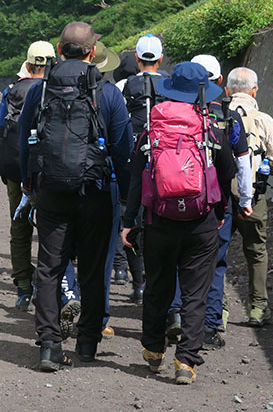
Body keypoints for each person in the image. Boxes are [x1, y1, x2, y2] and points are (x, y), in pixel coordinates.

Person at [19, 22, 132, 372]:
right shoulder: (107, 91)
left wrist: (28, 183)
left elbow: (26, 139)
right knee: (94, 270)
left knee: (50, 269)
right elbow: (123, 150)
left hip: (51, 191)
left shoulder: (40, 90)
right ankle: (87, 342)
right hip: (96, 192)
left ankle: (50, 345)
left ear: (59, 48)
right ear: (92, 52)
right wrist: (127, 199)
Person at [120, 62, 237, 385]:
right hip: (201, 222)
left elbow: (135, 177)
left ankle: (154, 350)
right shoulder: (210, 129)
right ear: (202, 93)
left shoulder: (151, 130)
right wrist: (221, 211)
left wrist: (128, 221)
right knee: (195, 292)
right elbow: (227, 173)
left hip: (158, 220)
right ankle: (186, 361)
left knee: (158, 286)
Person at [166, 54, 252, 349]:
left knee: (178, 259)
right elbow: (242, 163)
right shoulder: (228, 116)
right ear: (218, 83)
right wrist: (244, 199)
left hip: (175, 197)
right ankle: (212, 325)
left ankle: (176, 313)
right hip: (215, 202)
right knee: (215, 263)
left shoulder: (173, 113)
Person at [0, 40, 55, 310]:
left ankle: (23, 286)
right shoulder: (57, 90)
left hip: (16, 167)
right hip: (50, 169)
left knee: (19, 226)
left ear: (28, 65)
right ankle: (50, 285)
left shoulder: (12, 91)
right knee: (52, 227)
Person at [226, 66, 273, 326]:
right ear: (254, 90)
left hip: (220, 197)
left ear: (227, 90)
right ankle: (258, 308)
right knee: (256, 251)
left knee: (216, 253)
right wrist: (262, 174)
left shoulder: (218, 114)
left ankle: (218, 311)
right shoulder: (263, 119)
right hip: (253, 194)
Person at [112, 33, 169, 303]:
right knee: (160, 220)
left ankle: (138, 283)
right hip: (166, 160)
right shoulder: (171, 84)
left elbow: (119, 124)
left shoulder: (124, 84)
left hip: (135, 159)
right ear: (160, 58)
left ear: (136, 58)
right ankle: (159, 278)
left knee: (132, 219)